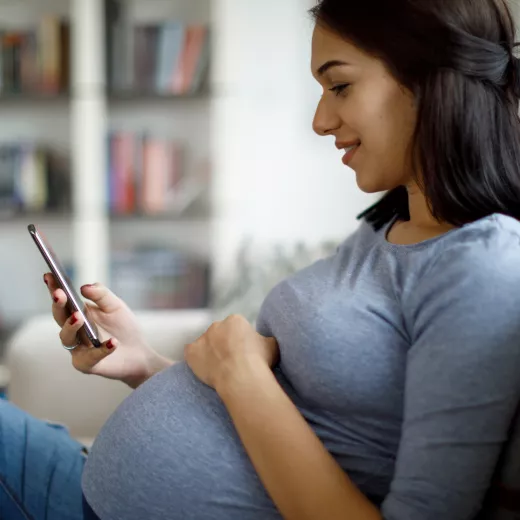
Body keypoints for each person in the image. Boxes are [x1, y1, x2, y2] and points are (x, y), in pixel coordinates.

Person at [3, 0, 520, 518]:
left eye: (339, 85)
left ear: (431, 78)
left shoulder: (484, 270)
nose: (321, 121)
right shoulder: (385, 229)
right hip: (83, 488)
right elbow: (288, 418)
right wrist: (143, 363)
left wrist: (241, 375)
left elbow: (250, 385)